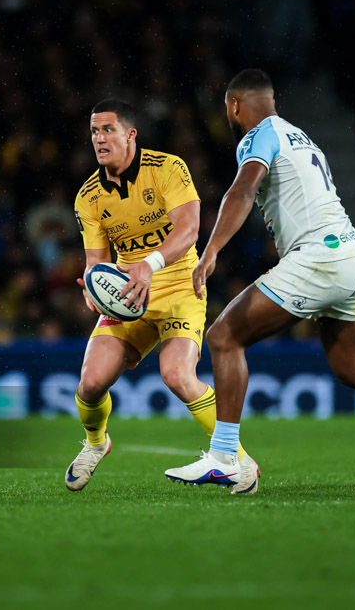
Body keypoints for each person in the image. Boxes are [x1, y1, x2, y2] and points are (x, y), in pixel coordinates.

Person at [164, 70, 355, 496]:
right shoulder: (301, 136)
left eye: (227, 109)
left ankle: (223, 458)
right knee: (354, 368)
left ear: (235, 105)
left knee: (223, 337)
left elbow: (240, 191)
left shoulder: (258, 137)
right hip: (353, 253)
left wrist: (212, 249)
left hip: (320, 257)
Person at [66, 98, 259, 492]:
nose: (99, 139)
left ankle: (238, 460)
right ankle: (95, 443)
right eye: (94, 132)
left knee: (176, 374)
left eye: (108, 130)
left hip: (178, 286)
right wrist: (93, 287)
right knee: (90, 384)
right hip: (128, 294)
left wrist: (148, 265)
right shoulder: (88, 196)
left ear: (130, 134)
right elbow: (96, 261)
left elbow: (189, 229)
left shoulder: (167, 168)